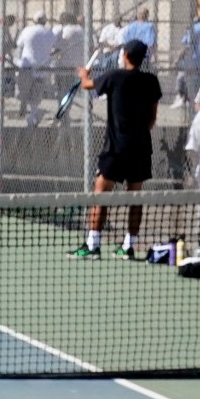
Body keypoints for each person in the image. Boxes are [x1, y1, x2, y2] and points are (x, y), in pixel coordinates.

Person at [75, 39, 162, 258]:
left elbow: (87, 85)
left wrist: (84, 74)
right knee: (135, 197)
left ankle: (93, 245)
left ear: (125, 56)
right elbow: (152, 118)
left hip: (116, 149)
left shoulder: (114, 76)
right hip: (141, 149)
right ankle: (128, 246)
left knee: (100, 195)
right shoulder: (151, 82)